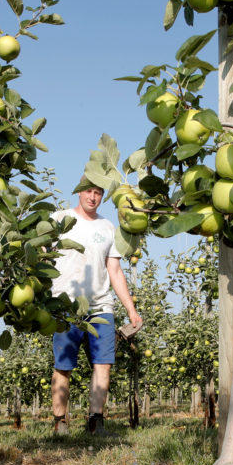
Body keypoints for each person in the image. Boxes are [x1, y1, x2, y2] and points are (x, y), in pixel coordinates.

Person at [50, 181, 142, 435]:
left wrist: (131, 309)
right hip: (66, 306)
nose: (93, 197)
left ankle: (96, 420)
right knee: (64, 366)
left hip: (101, 306)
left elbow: (114, 270)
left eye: (98, 192)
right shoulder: (59, 220)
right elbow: (41, 255)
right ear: (78, 191)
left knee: (103, 364)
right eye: (89, 191)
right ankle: (60, 423)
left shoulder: (107, 227)